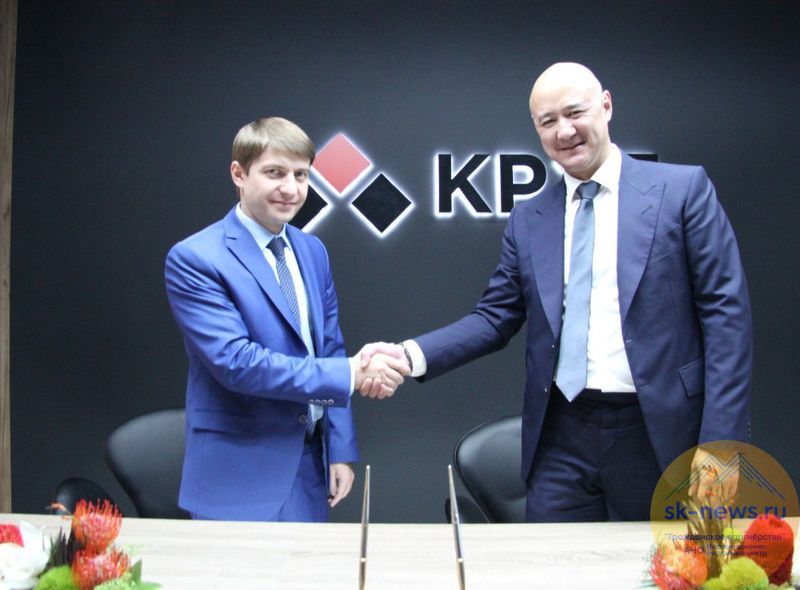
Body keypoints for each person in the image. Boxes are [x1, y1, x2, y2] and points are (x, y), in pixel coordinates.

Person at [362, 63, 752, 521]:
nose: (564, 131)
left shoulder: (681, 191)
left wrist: (720, 453)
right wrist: (407, 356)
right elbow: (494, 318)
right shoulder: (530, 217)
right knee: (550, 559)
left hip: (657, 430)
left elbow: (727, 322)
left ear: (606, 105)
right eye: (548, 121)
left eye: (575, 113)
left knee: (662, 561)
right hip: (562, 436)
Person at [165, 117, 407, 521]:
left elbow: (330, 347)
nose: (291, 189)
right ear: (239, 174)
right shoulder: (196, 258)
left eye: (301, 175)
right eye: (274, 173)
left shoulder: (312, 251)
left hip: (310, 465)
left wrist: (340, 449)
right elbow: (237, 363)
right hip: (238, 474)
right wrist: (352, 373)